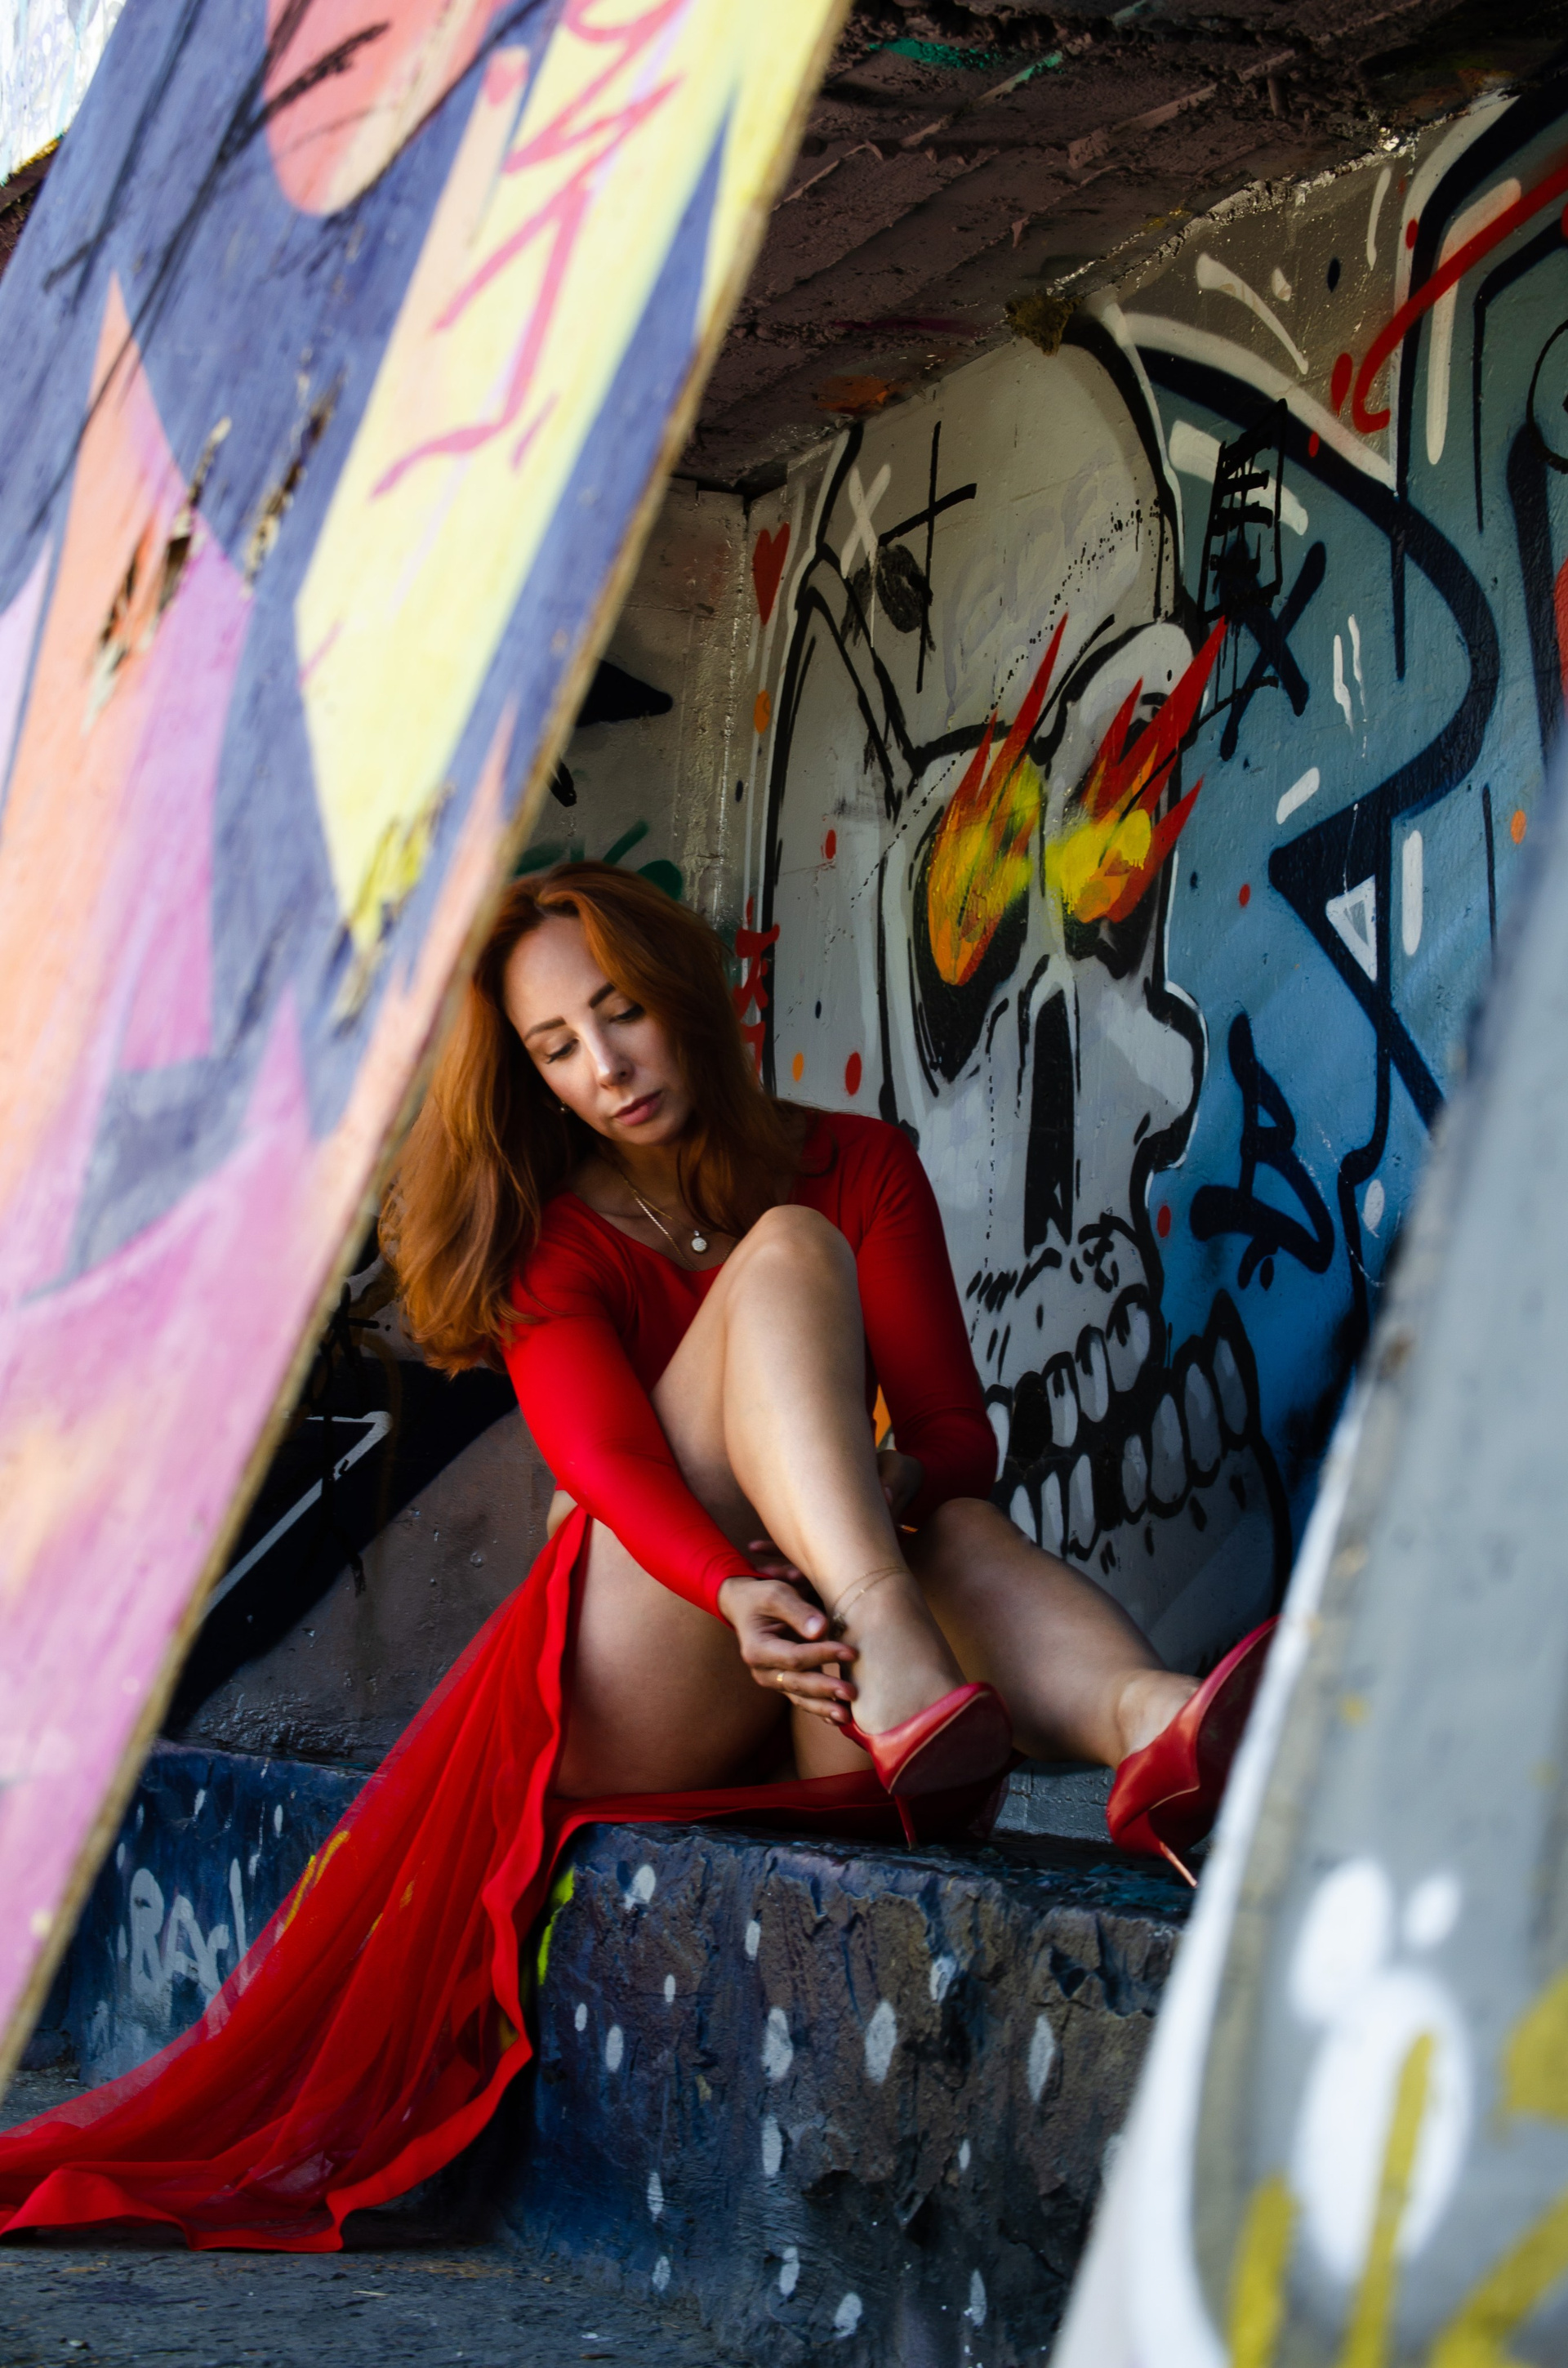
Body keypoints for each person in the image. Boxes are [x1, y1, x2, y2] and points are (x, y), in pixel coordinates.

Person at [0, 864, 1269, 2250]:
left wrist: (869, 1491)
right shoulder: (552, 1239)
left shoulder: (862, 1160)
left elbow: (957, 1442)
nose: (603, 1068)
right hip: (650, 1670)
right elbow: (610, 1471)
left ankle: (1155, 1726)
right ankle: (913, 1639)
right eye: (556, 1047)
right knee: (788, 1257)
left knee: (948, 1519)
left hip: (839, 1702)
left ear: (686, 995)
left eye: (620, 1014)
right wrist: (739, 1581)